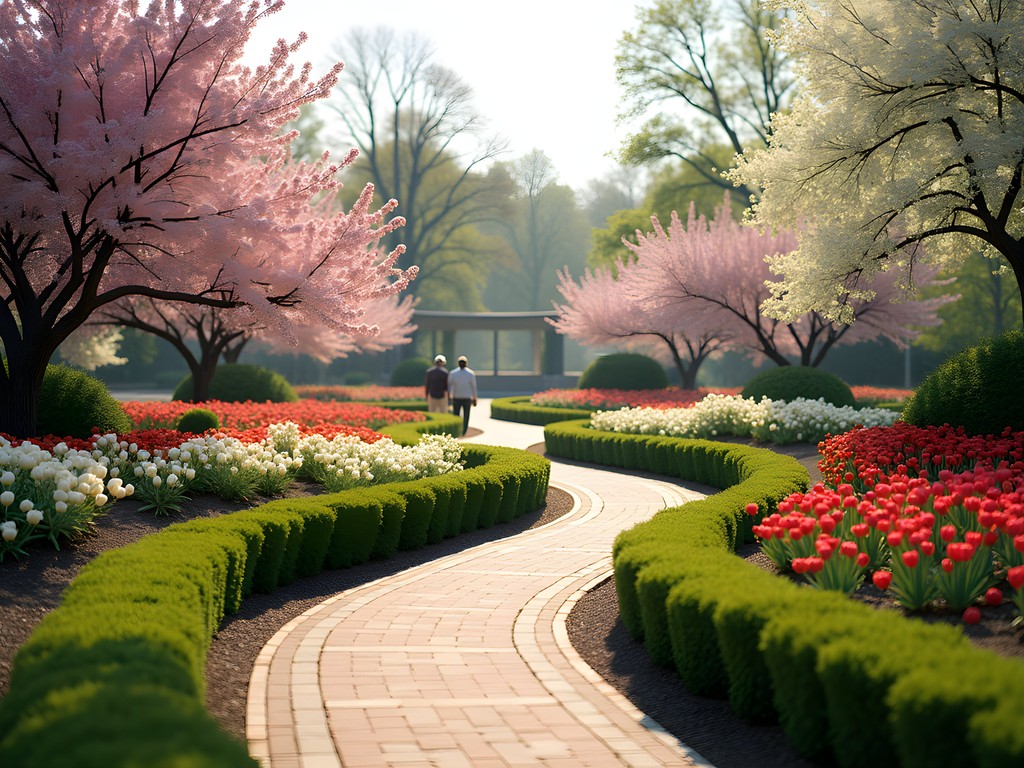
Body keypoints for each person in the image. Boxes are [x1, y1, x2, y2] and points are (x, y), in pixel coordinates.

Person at [447, 355, 477, 435]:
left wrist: (449, 396)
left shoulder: (453, 373)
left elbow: (449, 386)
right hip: (466, 397)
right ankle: (464, 430)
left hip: (457, 397)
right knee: (466, 416)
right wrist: (474, 398)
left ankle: (457, 430)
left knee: (456, 415)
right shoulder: (470, 373)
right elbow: (473, 387)